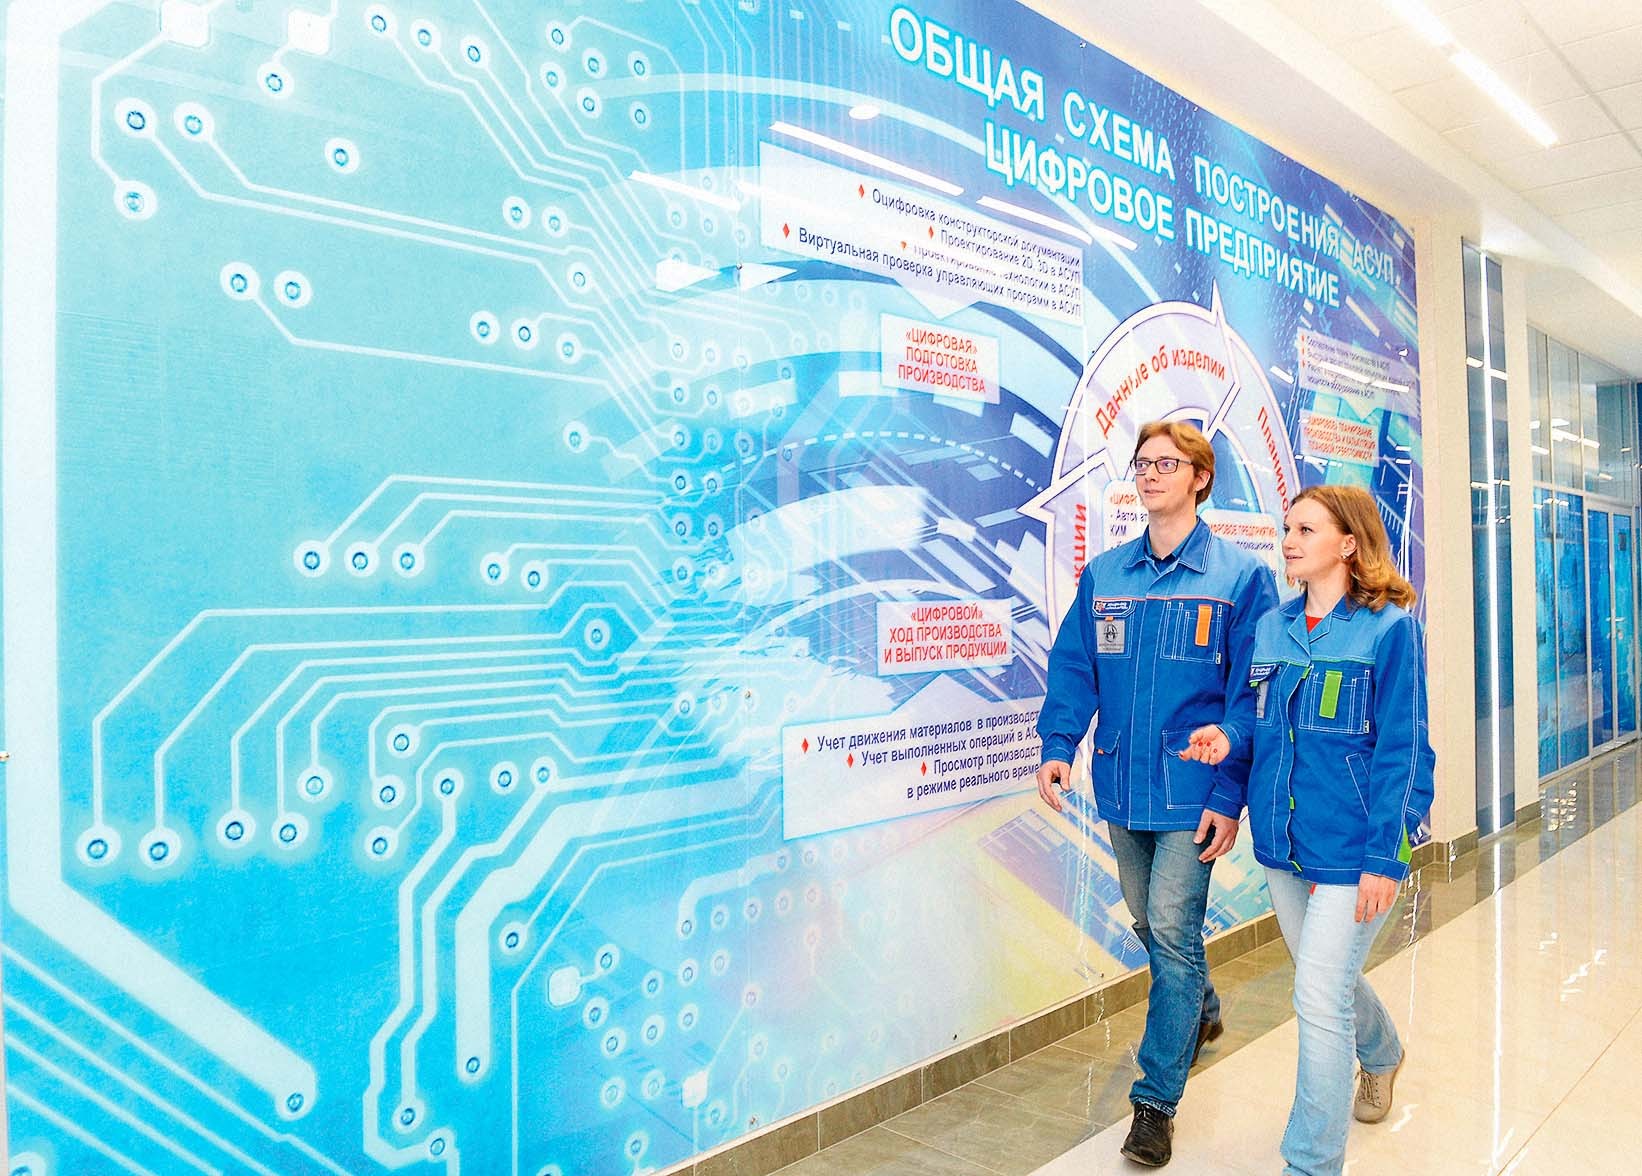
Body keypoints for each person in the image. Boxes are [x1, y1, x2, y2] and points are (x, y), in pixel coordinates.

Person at [1036, 420, 1278, 1168]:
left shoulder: (1240, 578)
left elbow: (1252, 696)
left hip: (1194, 790)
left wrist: (1229, 793)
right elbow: (1075, 666)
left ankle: (1154, 1104)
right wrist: (1058, 746)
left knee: (1171, 930)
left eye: (1166, 464)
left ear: (1201, 478)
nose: (1148, 474)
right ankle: (1200, 1007)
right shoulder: (1107, 575)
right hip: (1122, 784)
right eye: (1141, 463)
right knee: (1150, 923)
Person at [1185, 484, 1435, 1176]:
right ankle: (1382, 1053)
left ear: (1349, 544)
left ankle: (1311, 1163)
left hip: (1355, 848)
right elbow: (1254, 722)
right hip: (1283, 843)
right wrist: (1226, 752)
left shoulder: (1389, 630)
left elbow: (1405, 751)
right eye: (1287, 527)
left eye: (1306, 529)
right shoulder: (1273, 627)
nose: (1288, 540)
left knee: (1318, 996)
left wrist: (1386, 856)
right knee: (1327, 980)